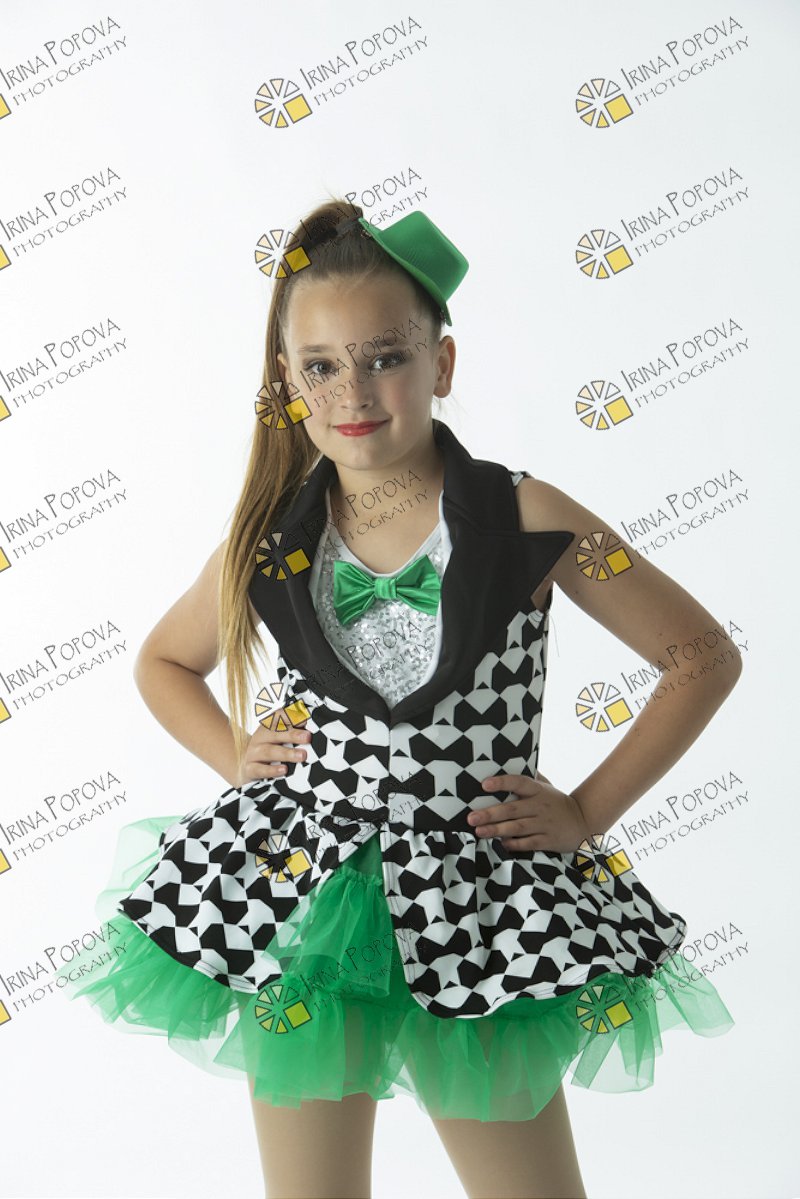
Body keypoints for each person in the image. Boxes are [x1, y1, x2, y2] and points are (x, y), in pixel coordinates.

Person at [56, 199, 739, 1199]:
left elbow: (699, 655)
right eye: (321, 366)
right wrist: (236, 753)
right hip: (305, 902)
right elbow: (164, 660)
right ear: (287, 381)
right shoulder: (270, 536)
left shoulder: (526, 515)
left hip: (480, 903)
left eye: (385, 357)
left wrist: (587, 810)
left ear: (441, 364)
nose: (353, 391)